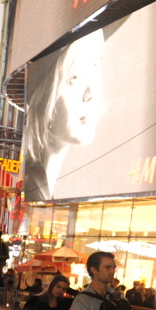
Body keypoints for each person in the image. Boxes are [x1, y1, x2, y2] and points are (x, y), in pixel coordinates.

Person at [24, 29, 104, 202]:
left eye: (96, 65)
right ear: (43, 96)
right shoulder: (32, 189)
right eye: (74, 77)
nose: (90, 92)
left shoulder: (40, 186)